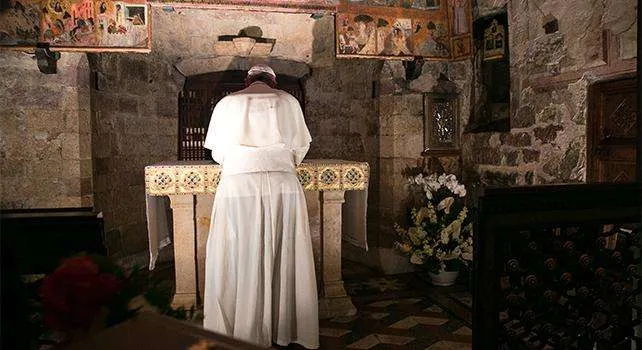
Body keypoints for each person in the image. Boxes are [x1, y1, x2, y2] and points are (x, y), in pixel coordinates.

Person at [202, 64, 319, 349]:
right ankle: (283, 327)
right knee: (285, 248)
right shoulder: (289, 102)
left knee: (239, 250)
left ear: (247, 81)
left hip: (238, 184)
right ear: (273, 81)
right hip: (282, 184)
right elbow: (300, 149)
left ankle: (240, 327)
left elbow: (217, 151)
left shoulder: (227, 103)